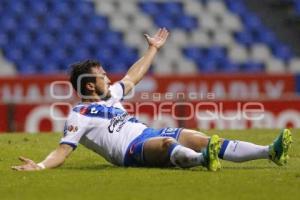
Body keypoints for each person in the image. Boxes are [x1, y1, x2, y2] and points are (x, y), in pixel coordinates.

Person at [12, 28, 292, 172]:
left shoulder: (112, 95)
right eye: (102, 75)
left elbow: (133, 76)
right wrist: (39, 166)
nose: (108, 77)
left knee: (197, 136)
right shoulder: (79, 115)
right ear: (88, 84)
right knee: (169, 144)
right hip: (130, 151)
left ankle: (270, 151)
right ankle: (200, 161)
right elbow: (62, 151)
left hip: (147, 133)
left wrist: (152, 50)